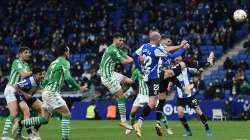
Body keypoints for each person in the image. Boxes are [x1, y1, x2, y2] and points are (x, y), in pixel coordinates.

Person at [14, 45, 87, 140]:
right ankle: (65, 138)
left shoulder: (52, 64)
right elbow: (68, 77)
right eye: (68, 51)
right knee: (66, 114)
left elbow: (44, 82)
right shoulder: (64, 62)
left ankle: (20, 123)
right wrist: (78, 87)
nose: (69, 53)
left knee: (44, 119)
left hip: (46, 92)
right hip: (52, 92)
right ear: (65, 53)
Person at [132, 31, 191, 137]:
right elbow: (172, 56)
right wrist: (182, 47)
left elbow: (134, 55)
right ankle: (139, 123)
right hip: (154, 78)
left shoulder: (144, 46)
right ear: (157, 39)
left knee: (155, 101)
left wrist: (139, 68)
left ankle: (141, 123)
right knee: (152, 103)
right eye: (160, 39)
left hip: (147, 78)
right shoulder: (157, 49)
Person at [170, 54, 213, 137]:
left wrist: (200, 70)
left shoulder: (188, 69)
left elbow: (197, 71)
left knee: (199, 111)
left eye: (179, 58)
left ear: (182, 60)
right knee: (180, 113)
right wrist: (169, 85)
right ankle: (188, 131)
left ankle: (207, 129)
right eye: (176, 58)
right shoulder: (173, 70)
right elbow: (171, 79)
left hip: (190, 96)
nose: (177, 59)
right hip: (180, 97)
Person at [98, 33, 134, 130]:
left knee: (130, 82)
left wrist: (132, 59)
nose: (122, 42)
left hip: (112, 73)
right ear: (114, 40)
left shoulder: (118, 49)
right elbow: (125, 61)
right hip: (107, 77)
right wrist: (135, 60)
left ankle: (118, 95)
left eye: (122, 40)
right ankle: (123, 122)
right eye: (120, 40)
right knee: (121, 97)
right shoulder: (112, 49)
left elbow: (128, 57)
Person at [1, 47, 32, 140]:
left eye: (29, 52)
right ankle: (4, 136)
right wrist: (34, 72)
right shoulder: (16, 62)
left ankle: (18, 135)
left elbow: (28, 80)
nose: (28, 54)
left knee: (24, 112)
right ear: (20, 54)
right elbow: (23, 75)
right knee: (14, 113)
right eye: (26, 52)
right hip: (11, 89)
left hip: (18, 91)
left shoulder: (26, 65)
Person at [12, 67, 45, 140]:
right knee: (26, 111)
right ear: (35, 75)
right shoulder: (28, 81)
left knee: (43, 108)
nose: (42, 76)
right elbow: (16, 86)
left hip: (28, 98)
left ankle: (35, 131)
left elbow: (41, 89)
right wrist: (25, 94)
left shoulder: (39, 81)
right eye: (40, 74)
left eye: (43, 74)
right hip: (19, 97)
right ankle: (30, 135)